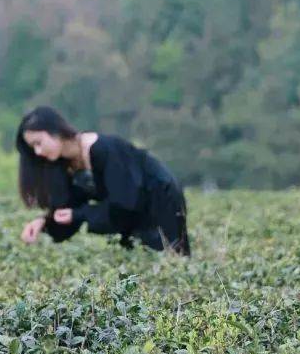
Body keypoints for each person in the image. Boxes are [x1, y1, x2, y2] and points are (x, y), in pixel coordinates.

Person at [15, 106, 190, 255]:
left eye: (39, 143)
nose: (37, 152)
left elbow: (124, 204)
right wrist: (43, 223)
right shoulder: (65, 165)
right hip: (132, 214)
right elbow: (71, 210)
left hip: (159, 199)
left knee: (169, 257)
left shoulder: (104, 150)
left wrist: (80, 214)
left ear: (56, 131)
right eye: (33, 148)